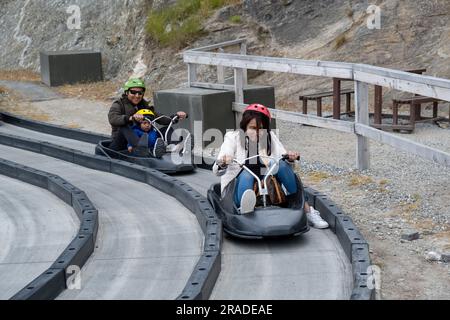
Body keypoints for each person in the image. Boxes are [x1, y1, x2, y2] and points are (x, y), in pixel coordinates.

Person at [213, 103, 329, 229]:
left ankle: (305, 208)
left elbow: (282, 157)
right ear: (245, 127)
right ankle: (243, 210)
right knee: (246, 175)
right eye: (252, 128)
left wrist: (289, 157)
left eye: (260, 129)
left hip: (266, 186)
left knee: (283, 165)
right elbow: (217, 170)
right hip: (238, 188)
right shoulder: (233, 138)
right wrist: (224, 161)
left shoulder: (270, 138)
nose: (256, 133)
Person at [108, 78, 187, 151]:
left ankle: (175, 146)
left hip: (144, 138)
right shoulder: (119, 104)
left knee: (166, 129)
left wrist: (175, 117)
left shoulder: (143, 105)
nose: (137, 96)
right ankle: (140, 149)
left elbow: (158, 117)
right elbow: (113, 118)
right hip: (122, 142)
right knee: (125, 126)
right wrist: (131, 118)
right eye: (133, 92)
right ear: (126, 92)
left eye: (140, 93)